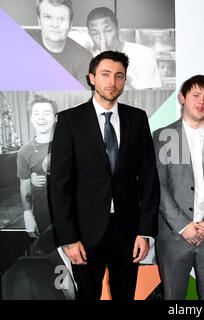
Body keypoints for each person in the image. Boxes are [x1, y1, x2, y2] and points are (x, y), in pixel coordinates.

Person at [49, 50, 160, 300]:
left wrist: (145, 232)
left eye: (119, 76)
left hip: (128, 232)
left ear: (124, 81)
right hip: (85, 235)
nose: (112, 82)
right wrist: (68, 238)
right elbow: (59, 185)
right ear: (92, 78)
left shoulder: (137, 119)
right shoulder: (69, 121)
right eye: (105, 74)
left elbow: (149, 179)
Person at [153, 75, 204, 300]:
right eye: (196, 95)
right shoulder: (161, 136)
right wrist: (183, 226)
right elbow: (158, 185)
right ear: (182, 98)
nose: (201, 102)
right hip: (174, 236)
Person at [86, 7, 161, 90]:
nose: (102, 39)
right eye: (95, 33)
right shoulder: (87, 61)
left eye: (108, 31)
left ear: (118, 30)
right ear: (90, 35)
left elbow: (144, 98)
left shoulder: (143, 54)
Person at [17, 94, 56, 238]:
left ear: (55, 117)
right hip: (43, 215)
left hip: (72, 214)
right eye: (36, 113)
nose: (41, 117)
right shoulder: (24, 151)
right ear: (31, 118)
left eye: (47, 113)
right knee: (51, 258)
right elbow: (24, 185)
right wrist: (27, 214)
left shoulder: (69, 144)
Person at [30, 0, 92, 88]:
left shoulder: (84, 57)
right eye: (48, 17)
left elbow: (84, 98)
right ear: (39, 20)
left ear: (70, 24)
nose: (55, 24)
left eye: (62, 19)